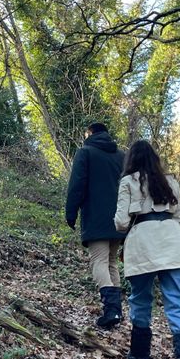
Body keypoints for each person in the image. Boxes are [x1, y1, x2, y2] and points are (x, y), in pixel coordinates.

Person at [114, 140, 180, 359]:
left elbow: (121, 223)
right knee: (177, 302)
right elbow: (179, 217)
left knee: (141, 299)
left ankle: (140, 356)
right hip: (173, 242)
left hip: (142, 243)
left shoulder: (128, 182)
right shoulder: (170, 181)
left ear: (131, 159)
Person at [65, 122, 127, 329]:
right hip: (119, 218)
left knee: (98, 261)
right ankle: (116, 311)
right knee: (111, 262)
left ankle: (111, 310)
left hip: (96, 217)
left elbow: (77, 184)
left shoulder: (86, 152)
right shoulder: (121, 156)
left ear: (90, 133)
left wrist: (70, 213)